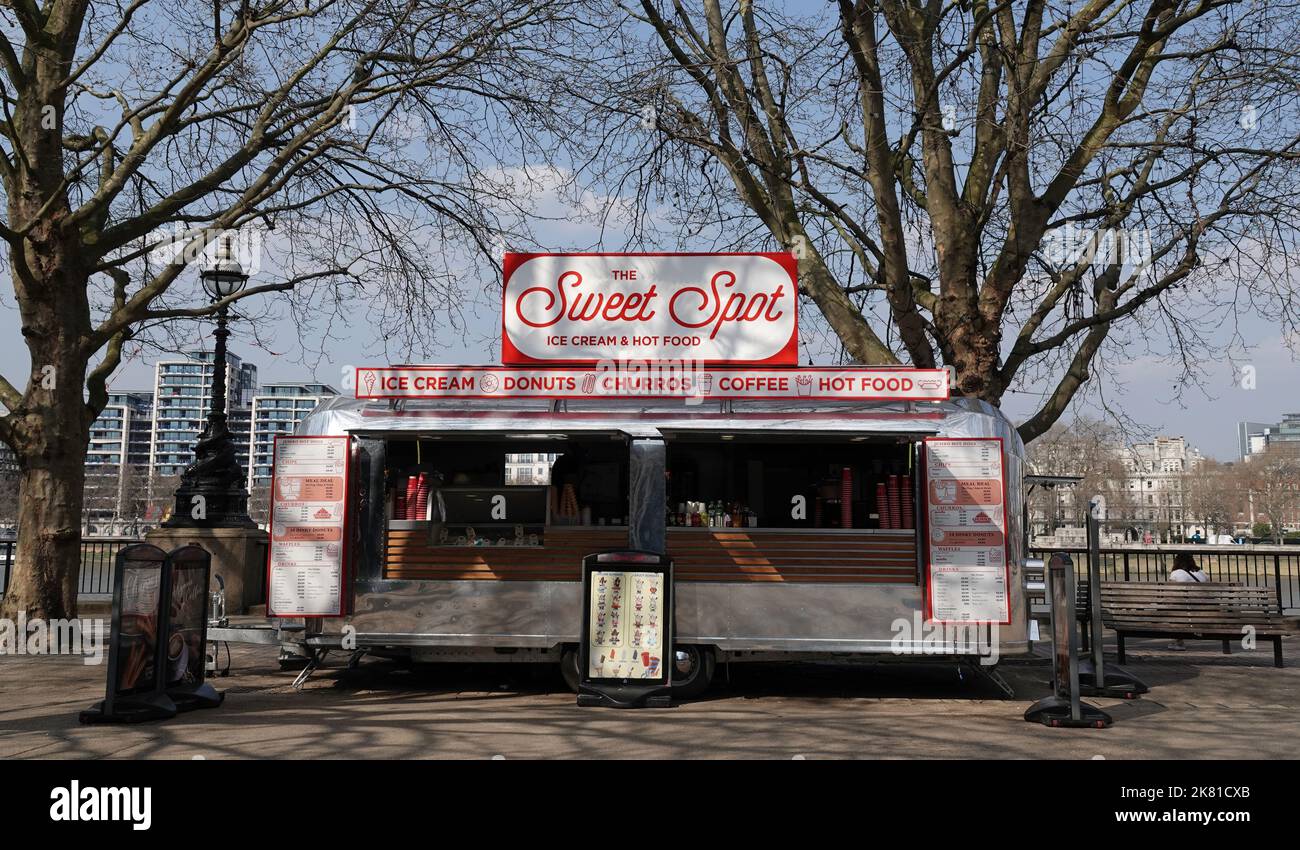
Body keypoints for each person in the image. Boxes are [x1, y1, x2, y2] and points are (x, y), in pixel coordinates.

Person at [1166, 552, 1207, 650]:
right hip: (1203, 608)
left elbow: (1171, 593)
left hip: (1185, 609)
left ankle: (1178, 641)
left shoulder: (1176, 573)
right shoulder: (1202, 573)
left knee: (1174, 608)